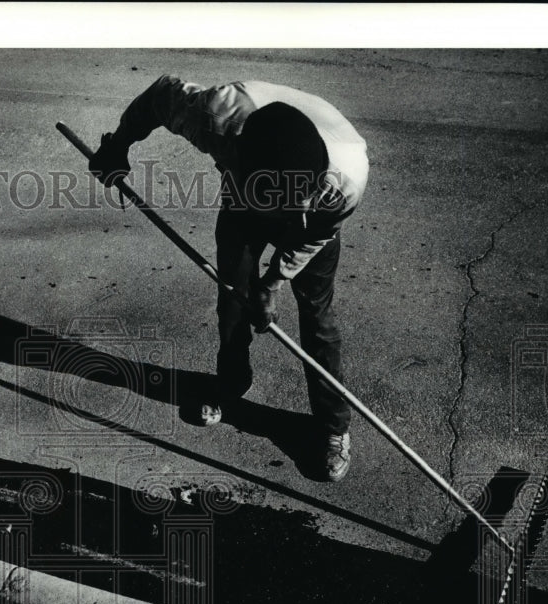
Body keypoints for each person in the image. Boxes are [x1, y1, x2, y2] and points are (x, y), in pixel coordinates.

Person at [89, 75, 369, 482]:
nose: (287, 212)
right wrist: (118, 144)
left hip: (316, 222)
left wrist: (273, 282)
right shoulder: (213, 117)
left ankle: (333, 426)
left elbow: (319, 233)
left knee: (317, 316)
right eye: (280, 203)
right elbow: (158, 96)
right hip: (245, 201)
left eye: (297, 200)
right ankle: (232, 381)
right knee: (233, 296)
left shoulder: (346, 178)